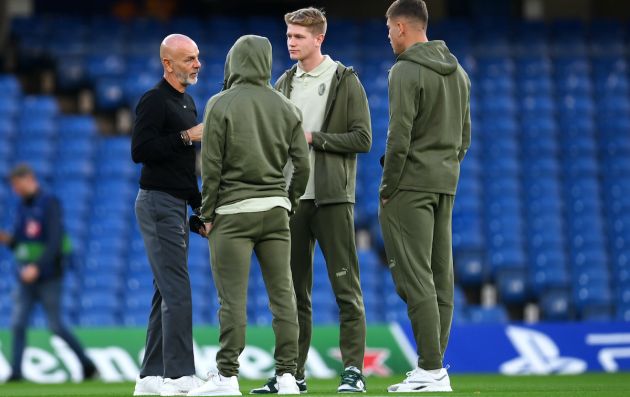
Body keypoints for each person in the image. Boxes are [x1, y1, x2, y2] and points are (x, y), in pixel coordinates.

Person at [251, 7, 372, 395]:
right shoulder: (282, 82)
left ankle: (353, 371)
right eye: (288, 35)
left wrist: (313, 138)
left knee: (346, 291)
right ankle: (291, 374)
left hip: (333, 199)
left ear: (319, 38)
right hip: (292, 200)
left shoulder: (344, 80)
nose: (291, 41)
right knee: (292, 295)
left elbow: (363, 138)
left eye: (298, 36)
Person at [187, 35, 310, 397]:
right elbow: (302, 165)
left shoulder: (219, 103)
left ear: (233, 61)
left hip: (231, 214)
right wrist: (289, 201)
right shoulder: (287, 107)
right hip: (275, 212)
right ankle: (288, 375)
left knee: (232, 300)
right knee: (283, 296)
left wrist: (206, 213)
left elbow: (210, 167)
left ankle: (227, 376)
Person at [378, 0, 471, 393]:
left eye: (388, 28)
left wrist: (388, 185)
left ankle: (431, 368)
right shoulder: (460, 72)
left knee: (415, 278)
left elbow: (398, 136)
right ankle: (434, 369)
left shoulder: (405, 70)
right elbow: (464, 137)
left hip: (410, 186)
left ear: (402, 27)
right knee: (439, 279)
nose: (387, 35)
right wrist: (444, 168)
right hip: (444, 184)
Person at [130, 33, 205, 397]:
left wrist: (199, 208)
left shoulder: (188, 102)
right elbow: (140, 150)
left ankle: (149, 377)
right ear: (168, 64)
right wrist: (186, 137)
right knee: (178, 291)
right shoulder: (154, 100)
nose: (197, 64)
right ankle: (178, 375)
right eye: (189, 58)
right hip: (157, 202)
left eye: (197, 58)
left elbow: (184, 168)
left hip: (175, 202)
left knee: (165, 291)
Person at [0, 164, 96, 382]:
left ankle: (87, 364)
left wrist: (37, 266)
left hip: (50, 275)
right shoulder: (22, 207)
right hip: (26, 277)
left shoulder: (49, 203)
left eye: (17, 185)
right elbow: (21, 242)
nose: (15, 190)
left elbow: (54, 241)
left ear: (28, 179)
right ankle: (16, 372)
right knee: (17, 323)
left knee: (56, 326)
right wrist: (7, 239)